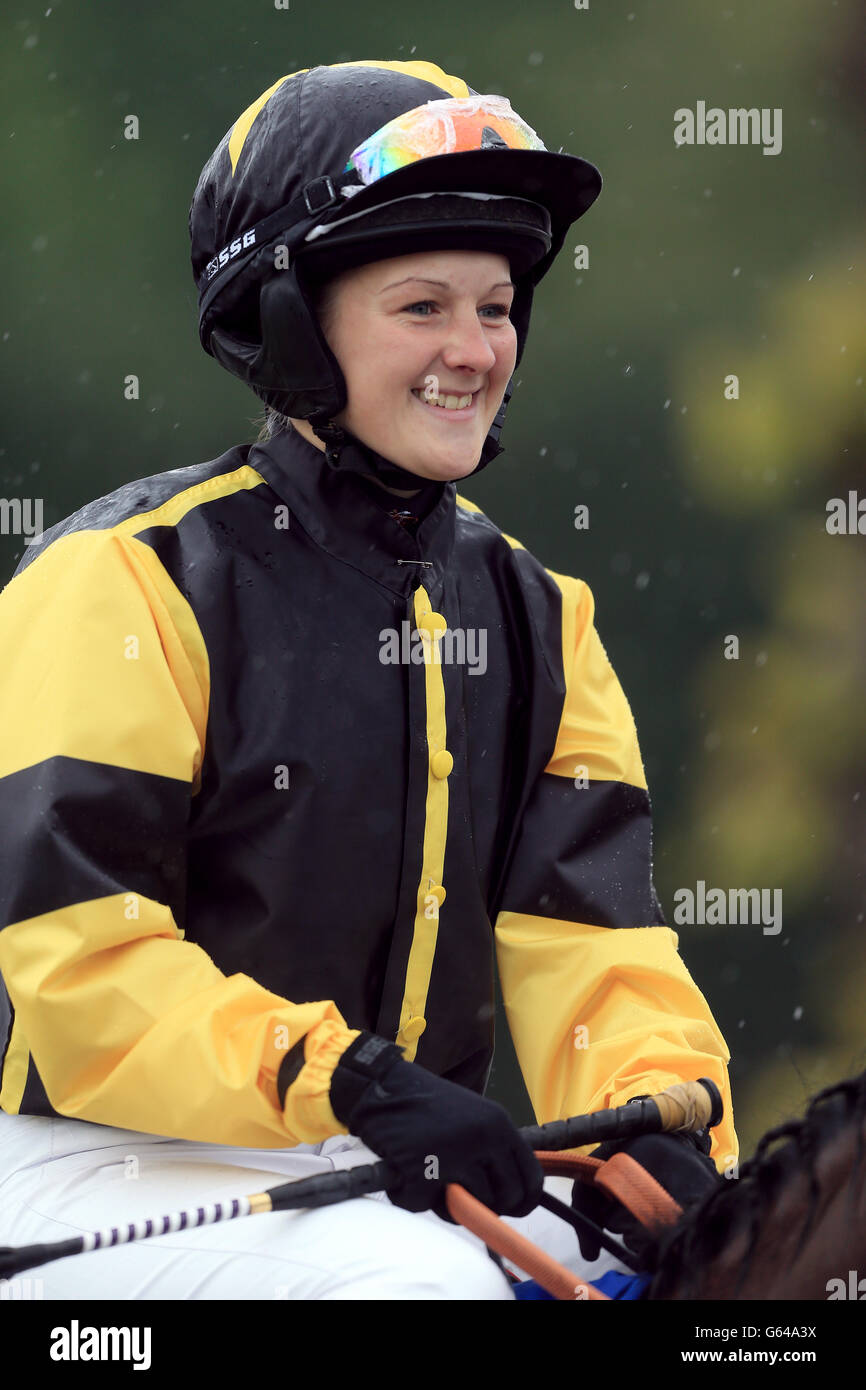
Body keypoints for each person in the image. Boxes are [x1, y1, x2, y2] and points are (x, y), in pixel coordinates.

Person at [0, 58, 736, 1300]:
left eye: (496, 307)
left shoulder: (541, 613)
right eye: (421, 307)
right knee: (417, 1288)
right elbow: (83, 966)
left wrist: (658, 1119)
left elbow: (593, 952)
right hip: (87, 1158)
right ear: (292, 324)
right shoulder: (121, 582)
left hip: (376, 1153)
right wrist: (346, 1079)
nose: (472, 349)